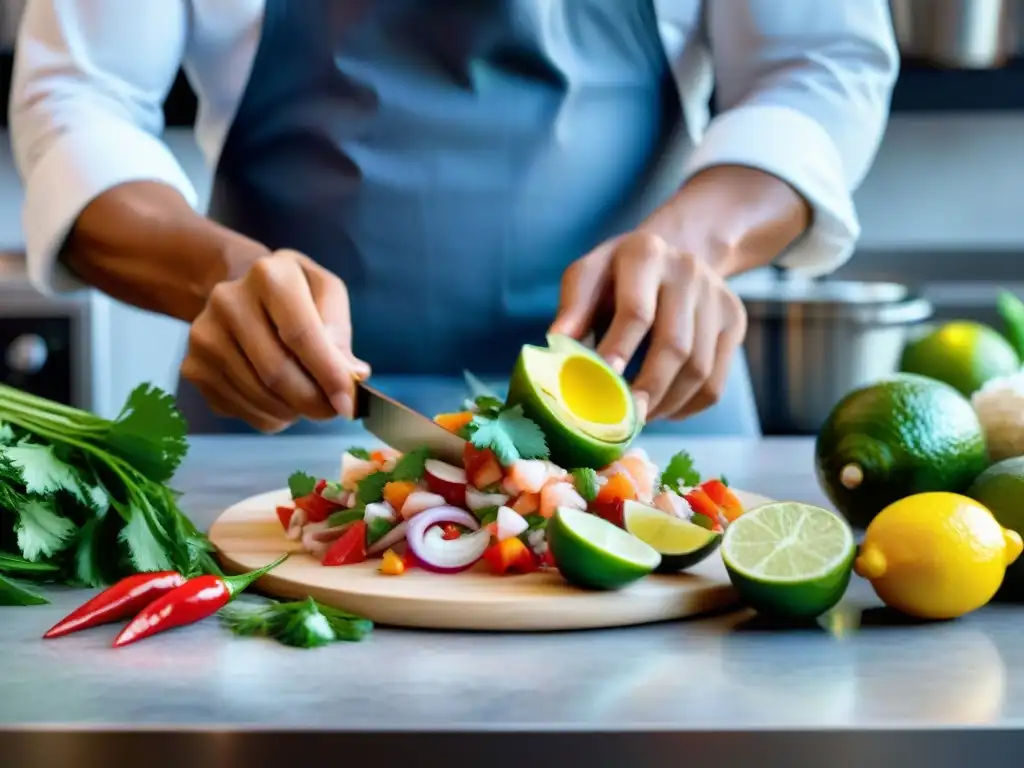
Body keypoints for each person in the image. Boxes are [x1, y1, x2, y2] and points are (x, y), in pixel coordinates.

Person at [10, 1, 898, 436]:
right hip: (270, 423)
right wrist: (217, 279)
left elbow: (819, 64)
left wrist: (689, 247)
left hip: (646, 421)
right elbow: (77, 98)